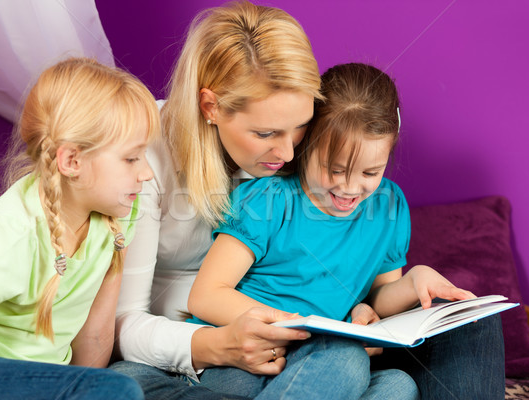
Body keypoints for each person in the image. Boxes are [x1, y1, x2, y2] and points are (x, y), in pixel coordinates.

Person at [113, 2, 506, 400]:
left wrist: (380, 302)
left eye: (301, 127)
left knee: (409, 375)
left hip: (312, 347)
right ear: (211, 107)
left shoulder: (343, 177)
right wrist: (216, 344)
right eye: (266, 133)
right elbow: (132, 319)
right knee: (347, 363)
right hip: (206, 345)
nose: (287, 154)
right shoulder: (144, 161)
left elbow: (372, 289)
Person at [0, 57, 159, 399]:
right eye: (131, 158)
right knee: (120, 389)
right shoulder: (6, 235)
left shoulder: (116, 214)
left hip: (48, 381)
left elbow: (94, 336)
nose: (147, 173)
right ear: (71, 161)